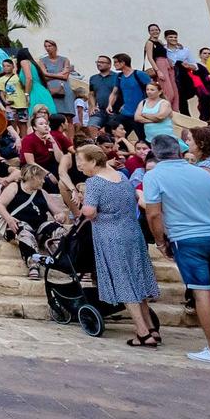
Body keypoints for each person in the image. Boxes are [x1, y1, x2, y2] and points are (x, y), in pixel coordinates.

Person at [140, 134, 210, 366]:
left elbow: (153, 213)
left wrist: (161, 242)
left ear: (155, 152)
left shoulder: (154, 176)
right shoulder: (204, 174)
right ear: (179, 150)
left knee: (202, 292)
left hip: (187, 239)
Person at [71, 144, 161, 346]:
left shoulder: (94, 182)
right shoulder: (122, 177)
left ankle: (142, 332)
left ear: (93, 162)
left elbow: (90, 212)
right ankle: (152, 329)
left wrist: (82, 201)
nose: (80, 167)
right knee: (138, 278)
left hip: (110, 235)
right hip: (132, 232)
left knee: (124, 281)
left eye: (81, 162)